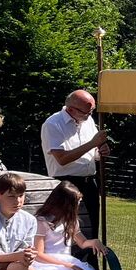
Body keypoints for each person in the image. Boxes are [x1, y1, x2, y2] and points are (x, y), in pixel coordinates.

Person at [41, 90, 110, 250]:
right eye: (87, 112)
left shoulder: (88, 121)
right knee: (71, 229)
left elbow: (92, 152)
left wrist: (100, 151)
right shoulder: (53, 124)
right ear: (71, 109)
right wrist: (93, 144)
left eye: (92, 111)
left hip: (89, 181)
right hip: (66, 184)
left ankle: (91, 264)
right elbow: (62, 159)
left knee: (91, 228)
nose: (90, 115)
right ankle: (71, 262)